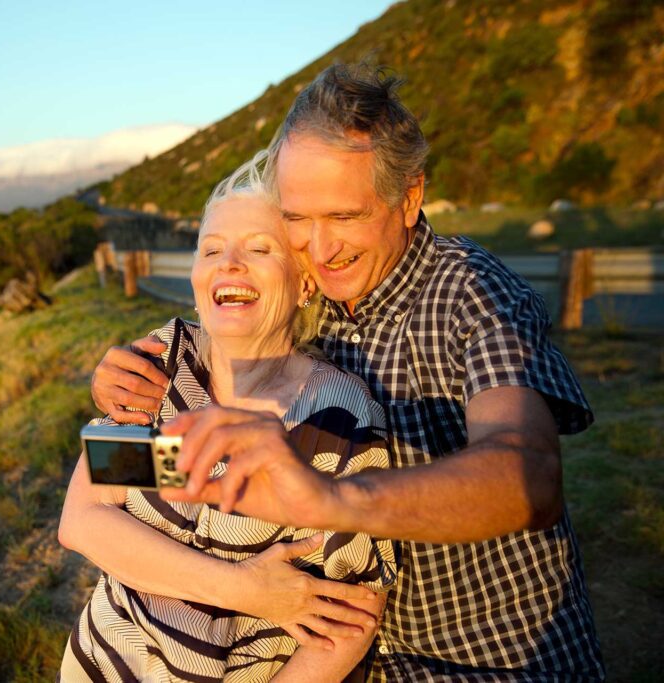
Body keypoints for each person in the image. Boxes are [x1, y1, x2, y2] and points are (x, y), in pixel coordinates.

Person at [91, 62, 605, 680]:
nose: (320, 247)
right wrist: (129, 396)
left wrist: (332, 501)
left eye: (344, 216)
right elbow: (116, 485)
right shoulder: (281, 331)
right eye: (297, 219)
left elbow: (530, 476)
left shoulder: (473, 294)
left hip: (489, 658)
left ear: (409, 198)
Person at [59, 152, 398, 682]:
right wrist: (247, 590)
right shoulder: (166, 370)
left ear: (304, 283)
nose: (229, 264)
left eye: (259, 249)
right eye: (212, 249)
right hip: (101, 665)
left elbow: (351, 620)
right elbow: (85, 518)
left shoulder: (334, 421)